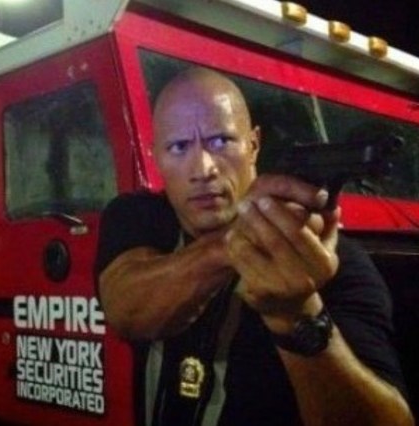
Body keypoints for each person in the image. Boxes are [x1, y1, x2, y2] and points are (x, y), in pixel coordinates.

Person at [94, 67, 414, 426]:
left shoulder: (331, 260)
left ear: (254, 145)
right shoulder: (140, 216)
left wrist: (297, 317)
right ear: (155, 155)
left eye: (220, 141)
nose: (203, 168)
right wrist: (236, 244)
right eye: (179, 147)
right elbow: (126, 309)